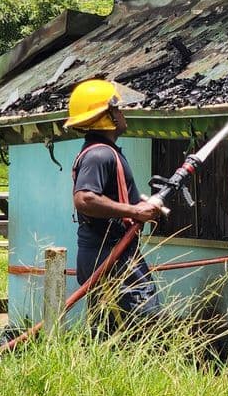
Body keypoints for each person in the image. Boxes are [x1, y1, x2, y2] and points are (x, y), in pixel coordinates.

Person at [65, 79, 163, 328]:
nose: (122, 113)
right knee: (146, 320)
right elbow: (85, 198)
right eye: (118, 109)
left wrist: (142, 204)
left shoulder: (106, 152)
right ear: (106, 115)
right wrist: (134, 211)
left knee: (107, 328)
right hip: (110, 252)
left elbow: (109, 197)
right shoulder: (100, 154)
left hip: (108, 250)